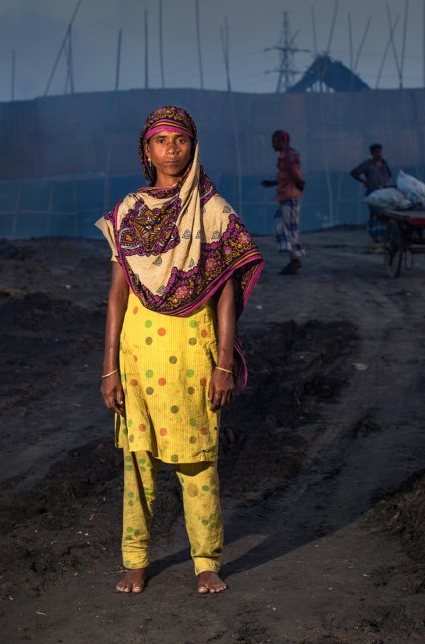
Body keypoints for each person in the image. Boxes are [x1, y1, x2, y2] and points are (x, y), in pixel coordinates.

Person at [96, 106, 264, 595]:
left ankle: (206, 560)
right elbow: (117, 294)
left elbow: (227, 293)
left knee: (198, 462)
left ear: (194, 146)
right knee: (138, 462)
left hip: (193, 352)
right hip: (137, 357)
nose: (171, 150)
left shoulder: (213, 212)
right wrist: (108, 370)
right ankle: (135, 560)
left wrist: (224, 363)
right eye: (161, 141)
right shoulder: (128, 210)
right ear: (146, 151)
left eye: (181, 140)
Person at [260, 130, 306, 274]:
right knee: (281, 226)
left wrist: (297, 190)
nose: (272, 144)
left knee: (290, 229)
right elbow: (288, 177)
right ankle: (293, 260)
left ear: (282, 141)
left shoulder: (289, 157)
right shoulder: (285, 156)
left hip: (290, 197)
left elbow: (297, 177)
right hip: (286, 196)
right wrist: (274, 183)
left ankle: (295, 262)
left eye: (274, 141)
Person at [350, 144, 392, 244]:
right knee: (374, 215)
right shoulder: (368, 164)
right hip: (373, 194)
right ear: (372, 153)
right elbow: (353, 173)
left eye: (380, 152)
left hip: (384, 194)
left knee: (385, 214)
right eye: (377, 152)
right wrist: (364, 182)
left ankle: (384, 236)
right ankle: (375, 237)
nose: (379, 154)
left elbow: (389, 176)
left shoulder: (385, 164)